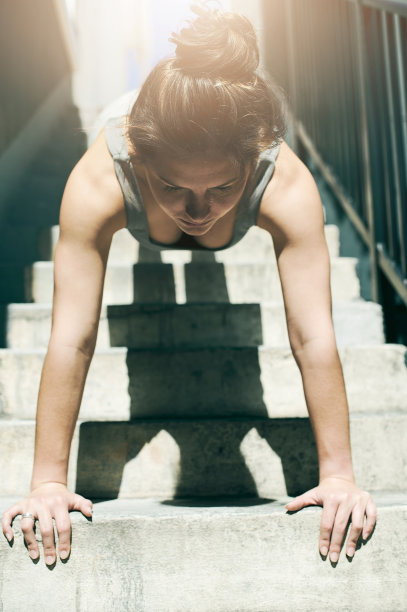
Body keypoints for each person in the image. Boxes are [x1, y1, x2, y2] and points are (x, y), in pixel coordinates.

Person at [2, 4, 376, 566]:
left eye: (222, 187)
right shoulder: (100, 175)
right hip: (135, 121)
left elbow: (313, 335)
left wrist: (340, 474)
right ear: (143, 165)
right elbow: (73, 337)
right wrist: (49, 481)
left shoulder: (286, 179)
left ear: (252, 164)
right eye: (175, 188)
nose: (197, 210)